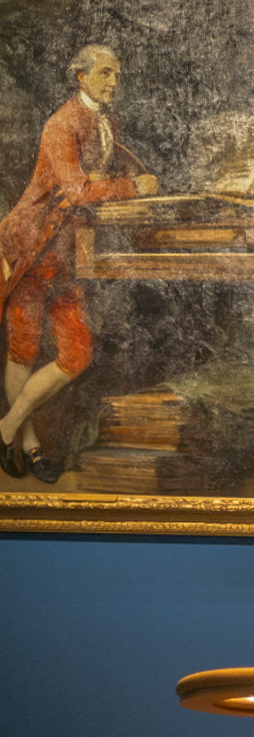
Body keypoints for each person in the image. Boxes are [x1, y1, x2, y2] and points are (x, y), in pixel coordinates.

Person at [0, 44, 158, 483]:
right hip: (32, 246)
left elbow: (93, 179)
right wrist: (132, 187)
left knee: (77, 353)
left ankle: (6, 428)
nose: (113, 82)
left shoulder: (106, 121)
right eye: (105, 73)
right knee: (23, 349)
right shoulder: (60, 123)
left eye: (117, 74)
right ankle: (29, 447)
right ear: (81, 78)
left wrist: (118, 181)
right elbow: (75, 190)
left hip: (67, 252)